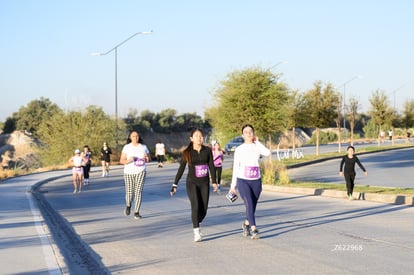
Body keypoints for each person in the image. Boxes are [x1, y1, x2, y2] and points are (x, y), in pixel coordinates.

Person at [170, 129, 217, 242]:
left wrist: (214, 182)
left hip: (204, 183)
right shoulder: (187, 152)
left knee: (204, 208)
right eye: (196, 136)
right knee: (195, 206)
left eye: (201, 136)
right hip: (192, 182)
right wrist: (175, 184)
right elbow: (181, 168)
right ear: (191, 139)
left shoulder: (207, 150)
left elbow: (211, 166)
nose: (199, 138)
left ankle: (197, 220)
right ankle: (196, 231)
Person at [229, 124, 271, 240]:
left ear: (253, 133)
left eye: (250, 131)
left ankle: (246, 223)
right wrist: (233, 186)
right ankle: (254, 229)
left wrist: (258, 142)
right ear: (243, 135)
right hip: (243, 181)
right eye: (246, 132)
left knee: (252, 206)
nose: (248, 133)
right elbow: (236, 168)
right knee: (248, 203)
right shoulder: (239, 149)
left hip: (256, 181)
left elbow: (267, 153)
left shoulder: (257, 146)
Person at [119, 131, 150, 219]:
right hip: (128, 172)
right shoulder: (127, 147)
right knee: (129, 192)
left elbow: (148, 159)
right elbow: (121, 160)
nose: (135, 138)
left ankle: (136, 212)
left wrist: (146, 158)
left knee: (138, 192)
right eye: (133, 136)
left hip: (141, 171)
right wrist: (129, 160)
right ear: (130, 137)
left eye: (137, 136)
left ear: (138, 137)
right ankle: (128, 205)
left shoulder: (143, 147)